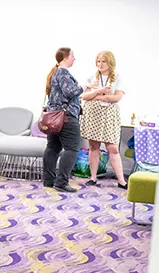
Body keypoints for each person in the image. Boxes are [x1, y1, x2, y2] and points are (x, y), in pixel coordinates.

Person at [79, 50, 128, 188]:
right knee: (93, 146)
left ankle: (121, 181)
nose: (100, 64)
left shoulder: (117, 77)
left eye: (103, 61)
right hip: (93, 114)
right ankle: (93, 177)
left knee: (113, 148)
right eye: (98, 61)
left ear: (110, 62)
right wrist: (100, 92)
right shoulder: (92, 77)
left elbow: (116, 97)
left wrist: (96, 96)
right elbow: (83, 96)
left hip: (109, 115)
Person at [42, 47, 83, 193]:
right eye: (73, 56)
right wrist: (84, 87)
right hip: (65, 117)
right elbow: (70, 92)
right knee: (72, 148)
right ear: (65, 57)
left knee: (53, 147)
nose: (74, 59)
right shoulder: (63, 73)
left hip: (53, 116)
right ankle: (61, 182)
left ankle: (49, 180)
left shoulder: (55, 73)